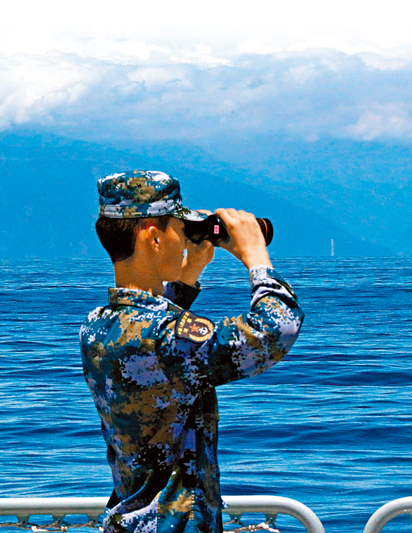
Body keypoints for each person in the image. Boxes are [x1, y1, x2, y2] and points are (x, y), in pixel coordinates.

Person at [80, 170, 304, 533]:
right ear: (153, 237)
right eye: (177, 228)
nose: (184, 240)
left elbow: (152, 341)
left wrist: (187, 276)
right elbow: (276, 330)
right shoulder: (166, 338)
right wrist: (256, 258)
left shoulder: (96, 326)